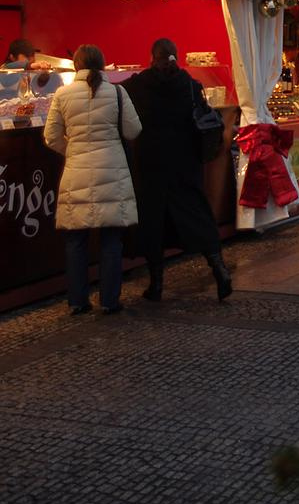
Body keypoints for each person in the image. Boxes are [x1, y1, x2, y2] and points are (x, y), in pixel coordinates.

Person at [123, 38, 233, 302]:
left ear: (153, 56)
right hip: (185, 163)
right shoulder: (190, 85)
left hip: (151, 164)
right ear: (176, 56)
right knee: (196, 214)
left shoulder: (139, 84)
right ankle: (219, 268)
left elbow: (118, 96)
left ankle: (156, 284)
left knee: (153, 222)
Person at [43, 44, 141, 315]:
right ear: (102, 64)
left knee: (76, 241)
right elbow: (133, 130)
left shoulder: (62, 94)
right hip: (113, 171)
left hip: (76, 171)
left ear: (76, 65)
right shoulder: (118, 92)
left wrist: (72, 149)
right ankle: (110, 301)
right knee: (111, 241)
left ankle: (77, 301)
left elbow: (51, 137)